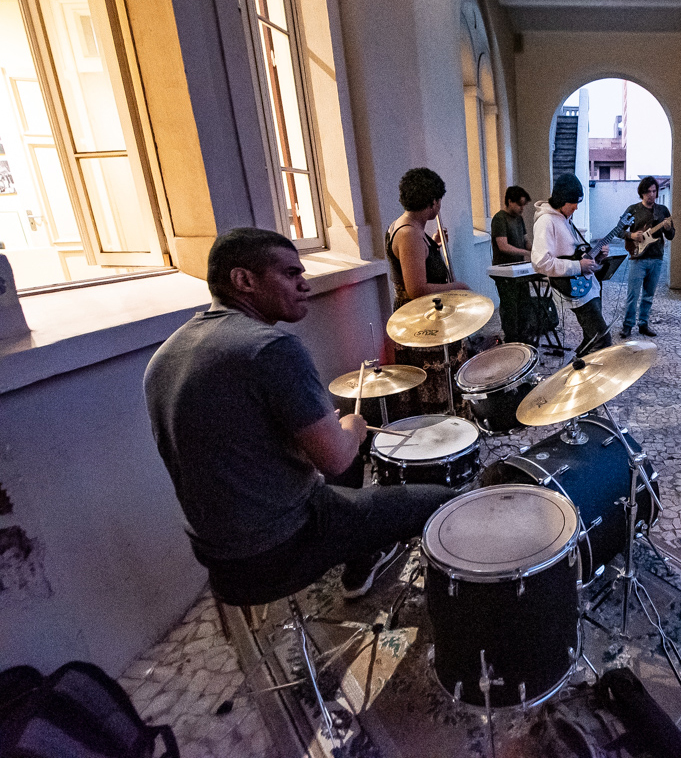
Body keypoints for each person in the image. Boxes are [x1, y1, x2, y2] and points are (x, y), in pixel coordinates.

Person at [144, 228, 457, 604]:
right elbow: (336, 457)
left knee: (347, 474)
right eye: (291, 274)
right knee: (441, 500)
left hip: (216, 551)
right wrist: (352, 429)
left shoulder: (164, 356)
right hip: (281, 544)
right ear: (243, 280)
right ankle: (452, 623)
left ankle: (362, 560)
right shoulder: (270, 349)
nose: (304, 285)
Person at [385, 168, 472, 414]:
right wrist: (459, 287)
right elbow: (416, 289)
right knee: (434, 387)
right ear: (433, 201)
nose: (439, 208)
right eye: (439, 201)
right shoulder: (409, 233)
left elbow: (415, 264)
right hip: (419, 324)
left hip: (422, 319)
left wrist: (432, 245)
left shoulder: (409, 227)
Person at [532, 173, 613, 356]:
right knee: (602, 339)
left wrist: (596, 257)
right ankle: (583, 375)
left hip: (588, 287)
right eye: (573, 202)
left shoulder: (564, 218)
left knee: (591, 338)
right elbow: (540, 263)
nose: (576, 207)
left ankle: (579, 369)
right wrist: (579, 267)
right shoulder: (546, 221)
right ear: (561, 199)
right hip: (575, 290)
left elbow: (574, 254)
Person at [618, 177, 675, 338]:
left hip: (656, 258)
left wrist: (669, 228)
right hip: (637, 258)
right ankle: (627, 325)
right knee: (633, 295)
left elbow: (670, 235)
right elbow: (618, 230)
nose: (651, 195)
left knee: (648, 295)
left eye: (654, 191)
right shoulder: (633, 210)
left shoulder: (663, 211)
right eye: (648, 192)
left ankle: (643, 324)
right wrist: (632, 235)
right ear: (642, 193)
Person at [490, 185, 534, 345]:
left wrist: (536, 250)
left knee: (525, 304)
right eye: (520, 204)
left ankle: (524, 338)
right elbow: (503, 246)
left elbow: (526, 240)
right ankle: (511, 340)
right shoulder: (499, 219)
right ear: (510, 201)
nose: (523, 208)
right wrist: (525, 252)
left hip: (519, 271)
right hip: (504, 271)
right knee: (510, 308)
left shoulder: (519, 219)